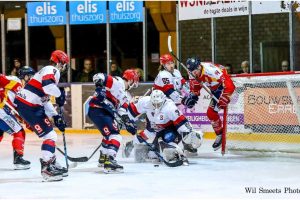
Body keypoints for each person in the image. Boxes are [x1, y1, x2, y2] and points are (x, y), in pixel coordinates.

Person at [14, 50, 69, 182]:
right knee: (50, 136)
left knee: (50, 135)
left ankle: (51, 163)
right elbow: (49, 87)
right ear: (59, 62)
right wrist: (60, 94)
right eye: (64, 63)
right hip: (29, 105)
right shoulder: (52, 69)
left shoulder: (47, 70)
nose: (65, 66)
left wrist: (55, 116)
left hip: (28, 104)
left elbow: (45, 98)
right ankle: (47, 167)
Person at [127, 90, 203, 165]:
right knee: (152, 153)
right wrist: (128, 122)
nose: (156, 106)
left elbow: (182, 121)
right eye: (154, 104)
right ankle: (133, 145)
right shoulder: (145, 102)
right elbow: (131, 111)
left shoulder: (170, 107)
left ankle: (177, 153)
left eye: (158, 104)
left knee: (168, 142)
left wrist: (189, 133)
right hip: (156, 128)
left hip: (171, 128)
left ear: (163, 100)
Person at [88, 69, 139, 173]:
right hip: (98, 109)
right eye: (133, 82)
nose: (133, 85)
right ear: (130, 80)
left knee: (109, 135)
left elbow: (122, 111)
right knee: (115, 135)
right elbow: (98, 75)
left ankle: (103, 158)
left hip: (102, 112)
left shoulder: (125, 96)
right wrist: (100, 88)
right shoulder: (117, 82)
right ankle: (110, 160)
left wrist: (128, 123)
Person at [186, 57, 236, 151]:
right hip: (213, 87)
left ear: (199, 66)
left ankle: (220, 135)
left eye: (195, 70)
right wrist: (194, 95)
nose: (194, 73)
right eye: (191, 71)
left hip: (221, 86)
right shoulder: (191, 72)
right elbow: (195, 86)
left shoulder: (211, 71)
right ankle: (220, 135)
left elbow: (230, 85)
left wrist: (225, 97)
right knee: (211, 113)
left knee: (211, 112)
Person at [0, 74, 31, 170]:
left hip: (3, 109)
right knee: (19, 132)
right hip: (1, 111)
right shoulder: (15, 81)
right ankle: (18, 160)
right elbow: (19, 104)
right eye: (29, 77)